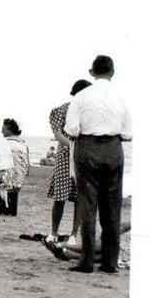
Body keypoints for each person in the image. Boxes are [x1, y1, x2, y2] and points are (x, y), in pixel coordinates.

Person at [64, 55, 133, 274]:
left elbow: (72, 130)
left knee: (88, 203)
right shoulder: (120, 98)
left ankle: (86, 260)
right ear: (112, 72)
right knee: (112, 206)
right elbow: (128, 134)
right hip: (113, 148)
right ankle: (110, 262)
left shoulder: (82, 97)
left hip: (88, 147)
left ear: (91, 72)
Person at [45, 80, 93, 249]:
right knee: (61, 196)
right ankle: (54, 232)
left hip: (82, 156)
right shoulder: (61, 110)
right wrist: (74, 146)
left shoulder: (89, 112)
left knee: (80, 197)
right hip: (67, 156)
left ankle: (73, 235)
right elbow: (58, 135)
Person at [0, 118, 30, 215]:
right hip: (19, 176)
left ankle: (3, 210)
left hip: (7, 176)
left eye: (3, 129)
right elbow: (26, 162)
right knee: (13, 192)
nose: (1, 131)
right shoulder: (22, 144)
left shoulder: (4, 143)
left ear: (8, 130)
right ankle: (12, 211)